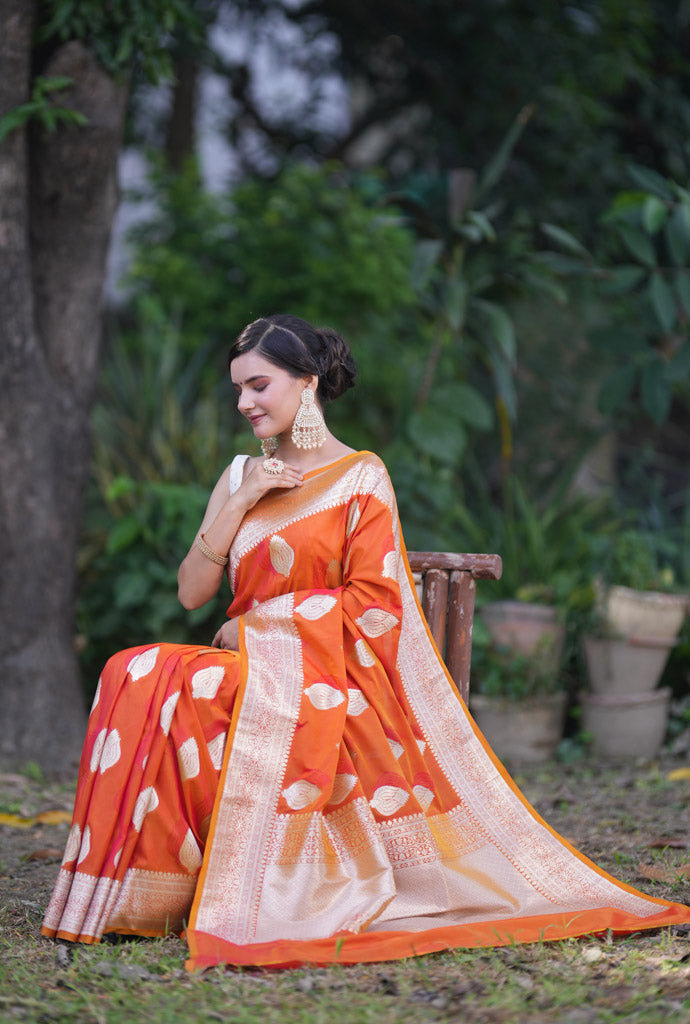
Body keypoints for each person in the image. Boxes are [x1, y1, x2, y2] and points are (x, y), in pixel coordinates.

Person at [42, 314, 690, 970]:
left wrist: (261, 627)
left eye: (259, 386)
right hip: (251, 668)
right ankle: (141, 898)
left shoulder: (361, 478)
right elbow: (190, 592)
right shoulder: (240, 474)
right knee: (135, 665)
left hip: (326, 681)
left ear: (308, 384)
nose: (244, 403)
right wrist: (241, 503)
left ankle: (220, 890)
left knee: (190, 682)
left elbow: (374, 607)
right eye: (237, 389)